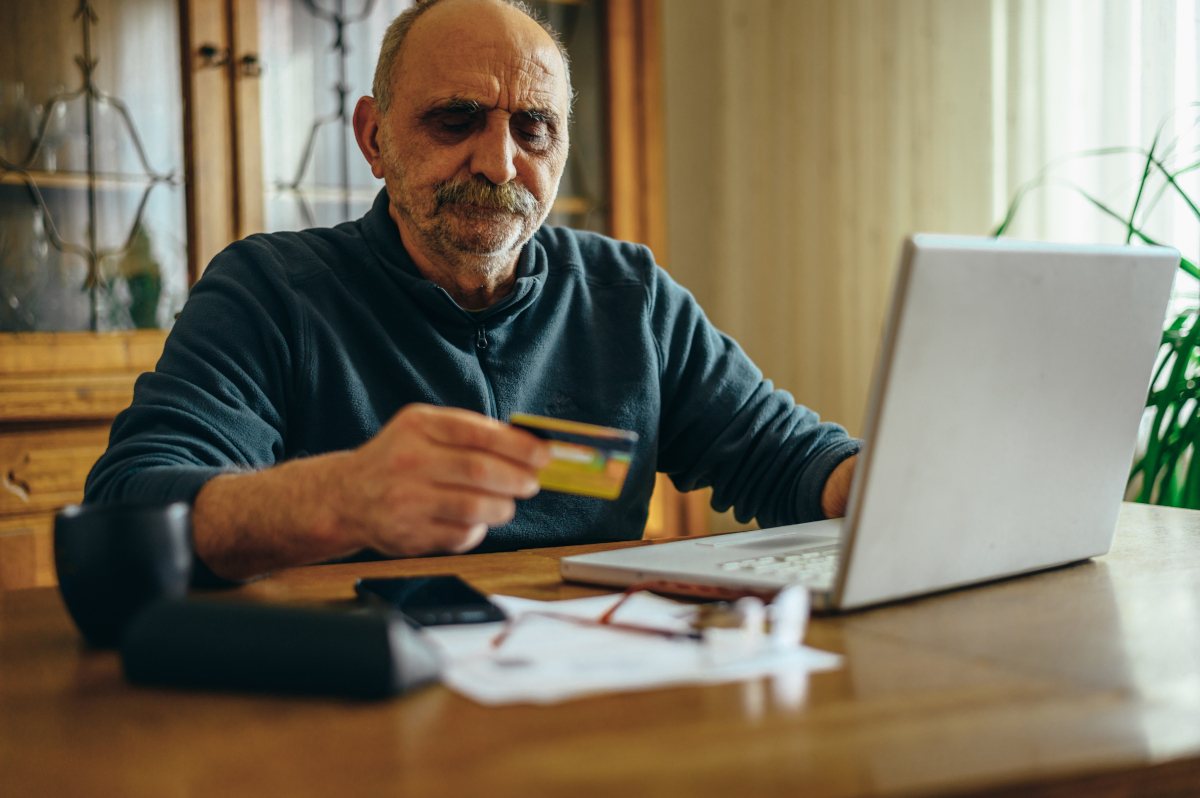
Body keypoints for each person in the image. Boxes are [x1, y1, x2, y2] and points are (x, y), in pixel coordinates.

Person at [84, 0, 860, 582]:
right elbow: (129, 506)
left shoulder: (630, 297)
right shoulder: (270, 292)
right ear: (374, 138)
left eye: (533, 128)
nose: (498, 162)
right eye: (456, 120)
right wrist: (342, 496)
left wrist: (881, 483)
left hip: (593, 695)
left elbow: (788, 457)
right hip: (358, 706)